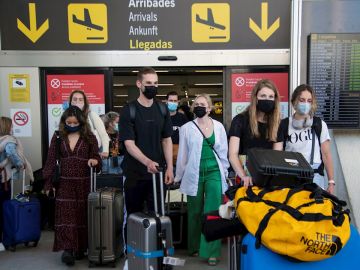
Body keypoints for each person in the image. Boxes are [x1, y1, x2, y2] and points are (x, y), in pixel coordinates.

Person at [119, 67, 174, 260]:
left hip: (157, 175)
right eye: (149, 83)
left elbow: (167, 140)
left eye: (155, 83)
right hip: (134, 174)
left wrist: (170, 167)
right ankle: (132, 256)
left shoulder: (162, 109)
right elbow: (129, 144)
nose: (153, 87)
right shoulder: (129, 110)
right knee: (133, 216)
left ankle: (155, 257)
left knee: (157, 216)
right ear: (139, 84)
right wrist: (147, 161)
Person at [175, 94, 229, 266]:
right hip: (194, 173)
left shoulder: (219, 127)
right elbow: (182, 155)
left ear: (209, 108)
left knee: (212, 211)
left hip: (214, 171)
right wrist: (177, 176)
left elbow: (223, 152)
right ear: (193, 108)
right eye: (196, 104)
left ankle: (212, 252)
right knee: (195, 212)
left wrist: (225, 172)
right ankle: (194, 246)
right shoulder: (186, 128)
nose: (199, 106)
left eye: (203, 104)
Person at [43, 106, 101, 266]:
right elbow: (50, 161)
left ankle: (80, 248)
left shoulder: (89, 137)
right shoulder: (58, 137)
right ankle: (67, 250)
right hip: (64, 182)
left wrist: (95, 161)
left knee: (82, 216)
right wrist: (48, 183)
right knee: (66, 217)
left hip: (84, 182)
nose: (72, 125)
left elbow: (96, 156)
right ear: (64, 122)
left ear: (81, 122)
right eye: (69, 122)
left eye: (75, 122)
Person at [273, 84, 335, 194]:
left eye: (309, 100)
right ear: (294, 102)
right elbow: (277, 155)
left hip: (314, 176)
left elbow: (326, 154)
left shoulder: (319, 124)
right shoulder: (284, 124)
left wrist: (331, 181)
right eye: (302, 100)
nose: (305, 103)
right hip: (290, 176)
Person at [228, 79, 281, 187]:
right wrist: (243, 176)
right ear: (255, 97)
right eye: (263, 96)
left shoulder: (277, 123)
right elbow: (232, 154)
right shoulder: (240, 120)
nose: (267, 100)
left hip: (268, 176)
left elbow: (277, 156)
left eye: (271, 97)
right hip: (244, 177)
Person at [0, 116, 33, 251]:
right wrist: (20, 164)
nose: (13, 128)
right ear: (7, 127)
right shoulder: (9, 140)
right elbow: (11, 153)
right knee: (4, 210)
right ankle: (4, 241)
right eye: (11, 126)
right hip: (3, 180)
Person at [69, 90, 109, 159]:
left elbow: (103, 134)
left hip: (91, 154)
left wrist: (105, 151)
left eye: (80, 100)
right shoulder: (66, 117)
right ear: (71, 102)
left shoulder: (91, 115)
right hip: (73, 155)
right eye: (75, 99)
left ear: (85, 102)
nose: (77, 102)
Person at [166, 91, 188, 166]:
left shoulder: (183, 118)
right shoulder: (161, 118)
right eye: (171, 100)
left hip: (179, 155)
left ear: (178, 102)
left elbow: (187, 136)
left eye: (175, 101)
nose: (173, 102)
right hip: (164, 155)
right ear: (167, 102)